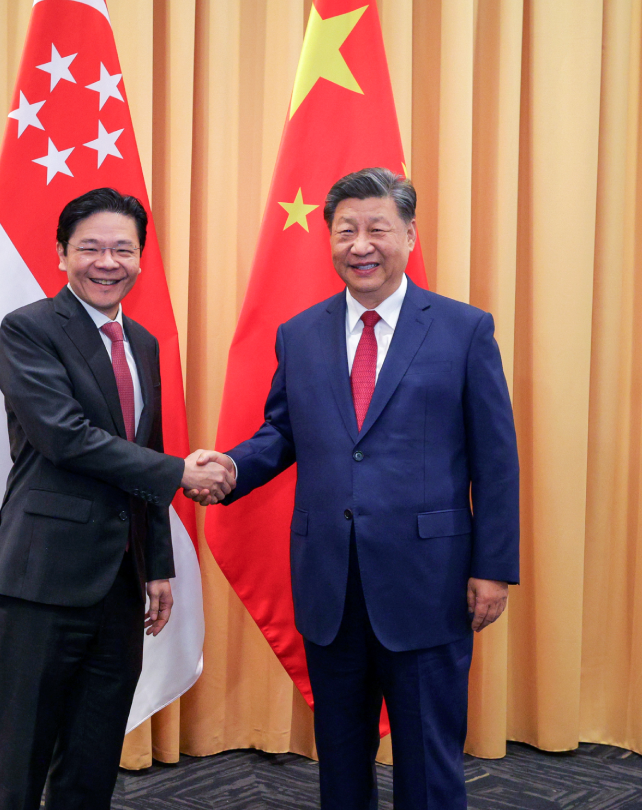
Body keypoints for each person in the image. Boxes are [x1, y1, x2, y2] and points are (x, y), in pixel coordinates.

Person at [192, 168, 519, 810]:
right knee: (340, 760)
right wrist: (231, 469)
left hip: (430, 579)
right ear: (330, 240)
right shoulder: (302, 333)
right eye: (346, 231)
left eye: (378, 229)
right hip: (330, 582)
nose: (361, 244)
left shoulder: (463, 329)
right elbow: (283, 433)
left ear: (409, 235)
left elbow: (496, 459)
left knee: (429, 760)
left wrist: (493, 568)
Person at [0, 187, 233, 810]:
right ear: (62, 254)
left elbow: (143, 453)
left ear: (141, 258)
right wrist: (181, 473)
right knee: (23, 757)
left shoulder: (142, 342)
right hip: (41, 577)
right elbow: (66, 439)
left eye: (123, 248)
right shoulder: (29, 329)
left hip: (120, 581)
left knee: (93, 756)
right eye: (90, 247)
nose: (107, 262)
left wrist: (159, 567)